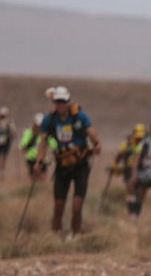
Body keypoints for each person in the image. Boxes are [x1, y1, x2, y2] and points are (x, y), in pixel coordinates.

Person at [34, 86, 102, 239]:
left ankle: (76, 235)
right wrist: (39, 161)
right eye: (58, 101)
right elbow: (43, 142)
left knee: (77, 206)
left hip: (80, 165)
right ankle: (55, 236)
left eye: (63, 101)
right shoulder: (49, 120)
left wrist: (96, 144)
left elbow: (91, 132)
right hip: (62, 166)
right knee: (58, 206)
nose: (61, 104)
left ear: (68, 101)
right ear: (54, 102)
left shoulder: (79, 116)